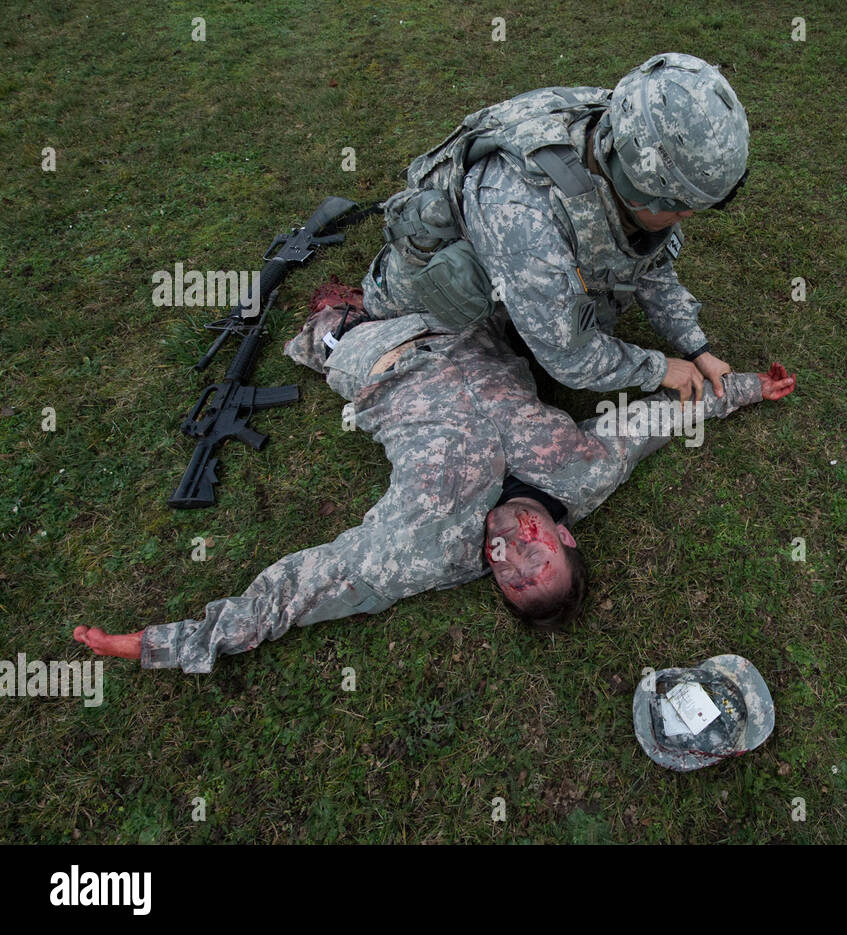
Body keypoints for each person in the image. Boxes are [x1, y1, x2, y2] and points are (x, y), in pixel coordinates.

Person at [72, 295, 795, 674]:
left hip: (373, 352)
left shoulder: (422, 549)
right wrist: (747, 388)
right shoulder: (586, 469)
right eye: (537, 560)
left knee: (325, 321)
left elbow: (300, 590)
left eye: (509, 579)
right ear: (567, 536)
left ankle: (329, 324)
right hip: (463, 316)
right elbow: (663, 418)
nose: (509, 556)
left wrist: (161, 643)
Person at [354, 52, 750, 404]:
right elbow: (572, 359)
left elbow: (648, 260)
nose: (688, 218)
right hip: (425, 301)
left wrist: (696, 347)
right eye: (681, 211)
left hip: (512, 262)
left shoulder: (625, 128)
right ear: (637, 193)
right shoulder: (525, 215)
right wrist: (659, 368)